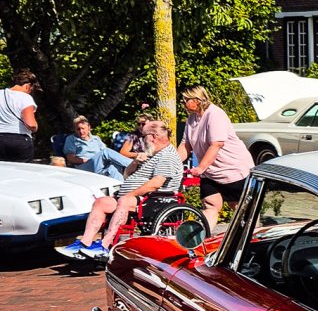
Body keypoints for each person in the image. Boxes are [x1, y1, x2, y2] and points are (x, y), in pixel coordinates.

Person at [60, 120, 183, 261]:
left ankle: (104, 245)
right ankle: (84, 243)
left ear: (153, 136)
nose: (142, 140)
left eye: (144, 137)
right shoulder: (152, 154)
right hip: (134, 198)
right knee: (101, 202)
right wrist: (136, 161)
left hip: (155, 200)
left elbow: (155, 184)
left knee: (124, 201)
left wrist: (130, 194)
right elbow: (127, 175)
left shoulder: (167, 156)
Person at [177, 85, 254, 229]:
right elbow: (185, 145)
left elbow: (216, 144)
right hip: (211, 172)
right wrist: (173, 162)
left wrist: (200, 167)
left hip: (232, 169)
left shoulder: (215, 115)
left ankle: (252, 238)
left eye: (185, 100)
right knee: (211, 205)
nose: (183, 103)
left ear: (197, 100)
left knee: (238, 207)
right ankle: (200, 241)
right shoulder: (191, 119)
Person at [63, 116, 129, 179]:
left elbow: (106, 154)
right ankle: (134, 164)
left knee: (113, 168)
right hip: (84, 166)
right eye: (78, 129)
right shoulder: (71, 139)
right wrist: (88, 160)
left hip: (99, 166)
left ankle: (122, 188)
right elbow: (71, 158)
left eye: (83, 128)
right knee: (106, 152)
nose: (81, 131)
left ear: (89, 127)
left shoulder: (96, 139)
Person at [0, 69, 40, 162]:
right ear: (28, 86)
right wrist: (36, 127)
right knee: (22, 173)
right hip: (19, 140)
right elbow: (31, 124)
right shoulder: (25, 97)